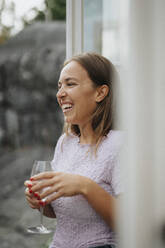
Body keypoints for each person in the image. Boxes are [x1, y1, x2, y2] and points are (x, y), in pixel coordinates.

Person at [24, 53, 123, 248]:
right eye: (59, 86)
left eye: (70, 84)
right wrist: (42, 204)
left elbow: (130, 224)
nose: (60, 94)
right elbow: (62, 212)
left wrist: (84, 186)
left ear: (100, 93)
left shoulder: (120, 145)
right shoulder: (65, 142)